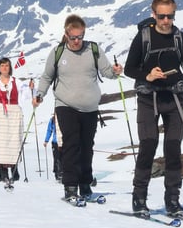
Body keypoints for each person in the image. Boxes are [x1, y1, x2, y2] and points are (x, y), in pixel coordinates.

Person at [123, 0, 183, 218]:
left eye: (170, 16)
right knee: (148, 144)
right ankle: (139, 198)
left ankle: (172, 200)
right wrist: (148, 76)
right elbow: (129, 69)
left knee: (173, 148)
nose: (165, 21)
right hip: (147, 97)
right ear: (154, 15)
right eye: (161, 16)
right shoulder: (143, 37)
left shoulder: (182, 39)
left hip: (173, 98)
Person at [35, 14, 122, 202]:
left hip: (90, 108)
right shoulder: (57, 52)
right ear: (66, 35)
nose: (76, 41)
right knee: (71, 144)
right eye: (73, 37)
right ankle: (70, 186)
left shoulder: (93, 50)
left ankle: (85, 184)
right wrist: (39, 94)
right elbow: (47, 77)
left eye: (80, 37)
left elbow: (107, 72)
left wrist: (115, 72)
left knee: (87, 147)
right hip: (65, 105)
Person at [0, 57, 31, 183]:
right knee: (0, 143)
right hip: (1, 114)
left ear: (10, 68)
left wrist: (30, 89)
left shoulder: (16, 82)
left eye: (7, 66)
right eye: (2, 66)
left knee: (13, 142)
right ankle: (0, 172)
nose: (4, 68)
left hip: (14, 114)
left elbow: (25, 92)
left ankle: (13, 170)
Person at [43, 113, 63, 181]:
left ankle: (62, 173)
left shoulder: (64, 119)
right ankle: (57, 174)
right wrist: (46, 140)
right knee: (56, 158)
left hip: (63, 142)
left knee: (63, 158)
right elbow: (49, 131)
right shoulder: (52, 120)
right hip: (55, 142)